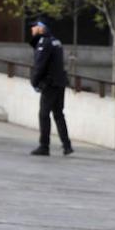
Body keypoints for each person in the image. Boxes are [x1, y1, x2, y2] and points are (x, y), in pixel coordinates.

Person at [29, 20, 72, 156]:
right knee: (58, 114)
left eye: (34, 27)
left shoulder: (44, 42)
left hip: (50, 84)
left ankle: (44, 146)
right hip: (60, 83)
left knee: (44, 114)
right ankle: (67, 145)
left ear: (41, 28)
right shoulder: (56, 41)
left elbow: (40, 65)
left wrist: (34, 82)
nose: (32, 30)